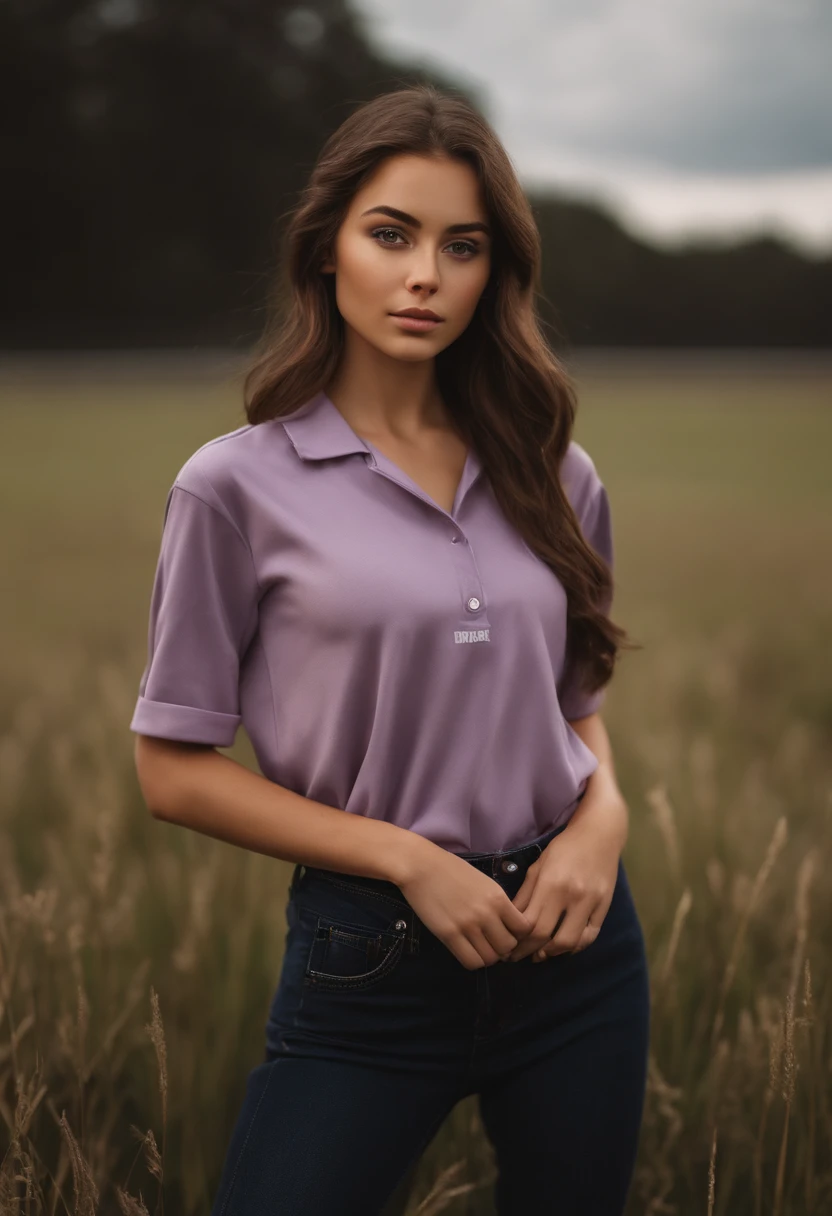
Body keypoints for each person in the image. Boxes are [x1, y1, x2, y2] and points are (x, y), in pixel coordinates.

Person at [130, 83, 650, 1216]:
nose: (425, 275)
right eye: (391, 234)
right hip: (372, 955)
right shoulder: (234, 486)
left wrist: (602, 823)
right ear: (325, 251)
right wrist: (407, 859)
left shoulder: (556, 472)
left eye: (461, 246)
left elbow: (577, 706)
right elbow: (170, 770)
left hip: (577, 941)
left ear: (492, 272)